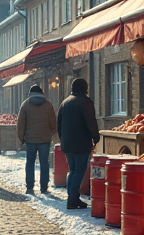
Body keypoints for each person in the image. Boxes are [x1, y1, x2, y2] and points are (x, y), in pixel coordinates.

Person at [57, 77, 101, 210]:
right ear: (85, 88)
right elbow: (90, 122)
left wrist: (62, 138)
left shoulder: (64, 103)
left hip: (67, 143)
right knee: (79, 170)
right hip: (81, 143)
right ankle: (73, 199)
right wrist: (95, 136)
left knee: (72, 170)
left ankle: (72, 197)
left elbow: (59, 124)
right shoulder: (85, 102)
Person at [16, 84, 57, 195]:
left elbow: (20, 123)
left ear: (30, 93)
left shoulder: (25, 105)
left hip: (30, 139)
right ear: (41, 93)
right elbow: (53, 122)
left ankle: (30, 186)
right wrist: (49, 132)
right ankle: (44, 187)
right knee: (44, 163)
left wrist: (21, 138)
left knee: (30, 162)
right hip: (44, 139)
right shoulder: (48, 105)